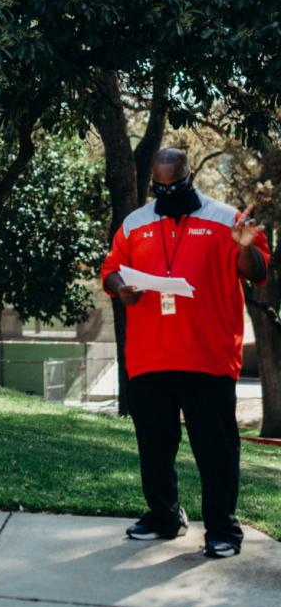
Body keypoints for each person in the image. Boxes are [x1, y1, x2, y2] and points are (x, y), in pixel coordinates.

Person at [102, 148, 270, 559]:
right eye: (160, 188)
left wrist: (245, 246)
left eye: (175, 185)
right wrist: (121, 287)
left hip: (208, 355)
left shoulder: (227, 219)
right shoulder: (135, 223)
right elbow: (111, 269)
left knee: (215, 448)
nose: (167, 193)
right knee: (154, 444)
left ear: (189, 176)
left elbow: (257, 272)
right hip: (149, 355)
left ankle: (222, 530)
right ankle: (163, 516)